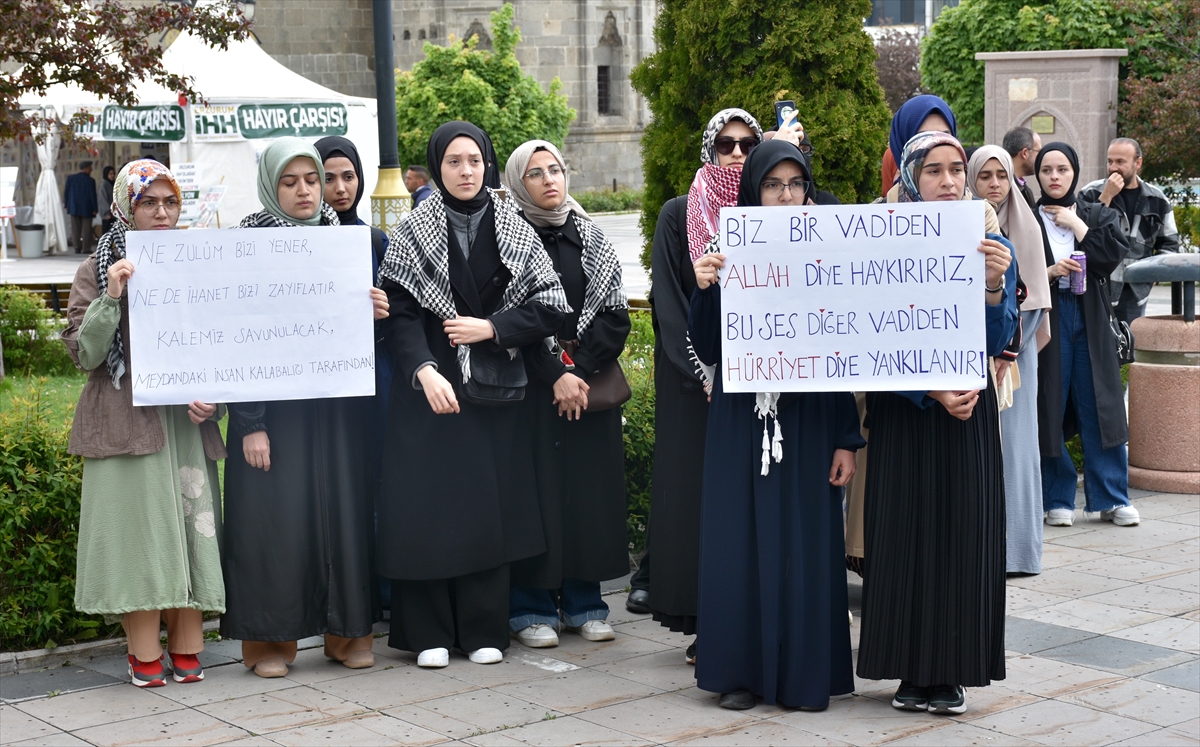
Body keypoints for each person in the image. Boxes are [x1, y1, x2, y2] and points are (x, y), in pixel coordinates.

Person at [376, 121, 567, 668]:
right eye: (454, 162)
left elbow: (551, 307)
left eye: (475, 160)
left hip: (492, 394)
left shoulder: (515, 227)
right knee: (429, 510)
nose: (465, 171)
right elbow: (402, 317)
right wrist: (425, 371)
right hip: (429, 396)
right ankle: (429, 632)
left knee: (486, 512)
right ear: (437, 167)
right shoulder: (412, 232)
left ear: (487, 164)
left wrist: (493, 328)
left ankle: (485, 628)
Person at [688, 139, 865, 711]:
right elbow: (709, 346)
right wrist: (706, 287)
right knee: (739, 542)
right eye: (772, 184)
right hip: (743, 417)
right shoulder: (725, 247)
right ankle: (741, 673)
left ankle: (802, 674)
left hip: (810, 419)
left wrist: (846, 439)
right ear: (752, 191)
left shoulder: (830, 249)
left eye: (794, 184)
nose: (785, 195)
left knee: (807, 543)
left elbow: (843, 347)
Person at [857, 131, 1018, 716]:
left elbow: (1002, 340)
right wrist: (929, 388)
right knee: (902, 538)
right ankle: (907, 669)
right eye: (934, 171)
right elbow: (867, 337)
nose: (950, 181)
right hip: (906, 413)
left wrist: (995, 283)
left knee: (958, 537)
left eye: (958, 170)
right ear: (910, 179)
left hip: (966, 415)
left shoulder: (990, 241)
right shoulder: (882, 245)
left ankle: (950, 671)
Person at [221, 137, 389, 678]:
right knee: (275, 521)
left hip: (338, 411)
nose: (305, 191)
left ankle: (347, 634)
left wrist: (377, 314)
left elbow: (363, 336)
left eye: (311, 180)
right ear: (271, 186)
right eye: (290, 182)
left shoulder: (346, 243)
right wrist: (250, 423)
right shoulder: (247, 245)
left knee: (343, 515)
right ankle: (270, 643)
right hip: (275, 411)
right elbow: (237, 338)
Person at [62, 159, 226, 688]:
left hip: (182, 424)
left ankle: (187, 647)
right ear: (124, 207)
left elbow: (221, 345)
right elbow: (84, 354)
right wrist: (112, 295)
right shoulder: (95, 268)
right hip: (123, 425)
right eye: (147, 202)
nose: (161, 212)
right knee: (141, 539)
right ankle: (141, 653)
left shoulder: (197, 264)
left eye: (170, 202)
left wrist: (214, 401)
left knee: (189, 528)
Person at [503, 140, 631, 648]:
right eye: (535, 173)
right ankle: (530, 609)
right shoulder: (508, 238)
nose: (549, 180)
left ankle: (586, 603)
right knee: (534, 495)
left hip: (587, 384)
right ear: (518, 182)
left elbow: (615, 314)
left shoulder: (591, 236)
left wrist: (577, 370)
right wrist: (554, 371)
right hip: (533, 388)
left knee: (587, 496)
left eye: (555, 169)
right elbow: (511, 317)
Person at [646, 108, 762, 664]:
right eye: (726, 145)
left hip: (759, 386)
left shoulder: (773, 211)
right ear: (709, 150)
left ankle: (752, 614)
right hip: (696, 384)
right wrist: (705, 373)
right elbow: (669, 304)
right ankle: (703, 621)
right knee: (700, 505)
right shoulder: (678, 215)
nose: (737, 155)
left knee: (747, 505)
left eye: (747, 145)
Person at [1034, 143, 1137, 528]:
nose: (1055, 176)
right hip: (1048, 319)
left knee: (1101, 405)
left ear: (1075, 172)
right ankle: (1057, 496)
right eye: (1047, 170)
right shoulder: (1029, 218)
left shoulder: (1094, 213)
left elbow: (1111, 258)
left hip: (1090, 317)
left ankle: (1112, 496)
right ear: (1038, 175)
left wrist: (1077, 225)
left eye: (1062, 169)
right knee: (1050, 405)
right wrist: (1051, 271)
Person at [316, 135, 395, 609]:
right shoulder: (295, 242)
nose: (340, 188)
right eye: (328, 178)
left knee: (376, 479)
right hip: (321, 385)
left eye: (349, 176)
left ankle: (380, 593)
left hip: (373, 378)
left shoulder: (374, 240)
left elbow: (402, 314)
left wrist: (385, 310)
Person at [969, 145, 1055, 575]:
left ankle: (1018, 552)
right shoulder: (964, 221)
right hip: (975, 356)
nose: (994, 185)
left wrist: (1005, 350)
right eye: (984, 177)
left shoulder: (1025, 224)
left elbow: (1034, 296)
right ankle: (984, 549)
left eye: (1000, 176)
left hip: (1013, 361)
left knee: (1016, 452)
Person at [1078, 137, 1180, 329]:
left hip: (1135, 291)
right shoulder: (1090, 193)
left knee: (1129, 349)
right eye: (1110, 161)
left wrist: (1154, 274)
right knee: (1097, 350)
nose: (1113, 167)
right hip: (1098, 285)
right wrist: (1106, 196)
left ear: (1137, 163)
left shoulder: (1157, 199)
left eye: (1120, 162)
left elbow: (1170, 243)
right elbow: (1081, 234)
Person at [883, 94, 957, 199]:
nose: (934, 143)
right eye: (923, 138)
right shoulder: (882, 212)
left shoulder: (981, 212)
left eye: (944, 136)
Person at [1003, 126, 1042, 211]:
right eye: (1038, 152)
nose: (1041, 157)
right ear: (1025, 153)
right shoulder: (1002, 189)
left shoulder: (1023, 188)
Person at [64, 161, 98, 254]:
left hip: (73, 207)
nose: (91, 169)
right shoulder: (90, 181)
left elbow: (66, 193)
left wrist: (67, 205)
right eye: (90, 167)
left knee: (75, 229)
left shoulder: (71, 179)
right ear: (86, 168)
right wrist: (95, 209)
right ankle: (86, 248)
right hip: (87, 208)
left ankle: (77, 247)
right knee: (86, 229)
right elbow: (92, 196)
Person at [99, 166, 116, 234]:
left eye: (113, 174)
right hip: (108, 215)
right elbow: (103, 199)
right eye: (110, 174)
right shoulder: (104, 185)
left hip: (113, 214)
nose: (112, 176)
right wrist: (106, 213)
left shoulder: (112, 184)